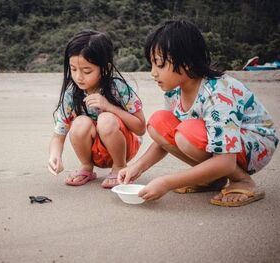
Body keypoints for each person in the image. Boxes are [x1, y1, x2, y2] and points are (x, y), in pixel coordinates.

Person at [118, 20, 278, 207]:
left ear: (186, 62)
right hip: (213, 140)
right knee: (158, 123)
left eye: (159, 64)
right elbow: (163, 141)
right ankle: (212, 179)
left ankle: (242, 181)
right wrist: (136, 168)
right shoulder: (174, 91)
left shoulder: (218, 92)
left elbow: (225, 161)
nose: (153, 73)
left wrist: (167, 182)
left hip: (255, 144)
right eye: (151, 64)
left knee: (186, 133)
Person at [48, 30, 146, 188]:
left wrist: (109, 107)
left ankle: (119, 167)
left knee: (106, 119)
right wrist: (55, 155)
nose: (79, 77)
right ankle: (86, 167)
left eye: (87, 71)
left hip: (124, 146)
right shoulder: (71, 94)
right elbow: (58, 136)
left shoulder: (118, 88)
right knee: (79, 122)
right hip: (94, 152)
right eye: (73, 69)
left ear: (104, 68)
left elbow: (141, 128)